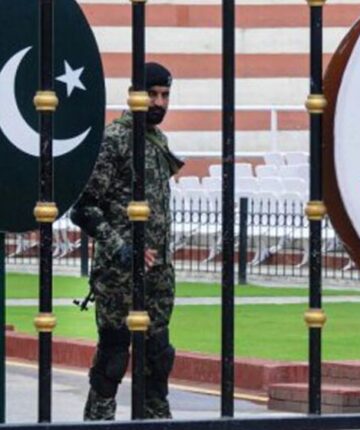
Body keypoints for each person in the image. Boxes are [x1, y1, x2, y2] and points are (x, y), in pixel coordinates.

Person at [71, 62, 184, 420]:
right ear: (134, 94)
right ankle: (99, 422)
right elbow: (84, 208)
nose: (159, 102)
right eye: (152, 94)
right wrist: (121, 248)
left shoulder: (157, 141)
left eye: (165, 95)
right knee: (113, 358)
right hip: (119, 275)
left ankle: (156, 421)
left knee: (158, 358)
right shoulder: (115, 140)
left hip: (158, 274)